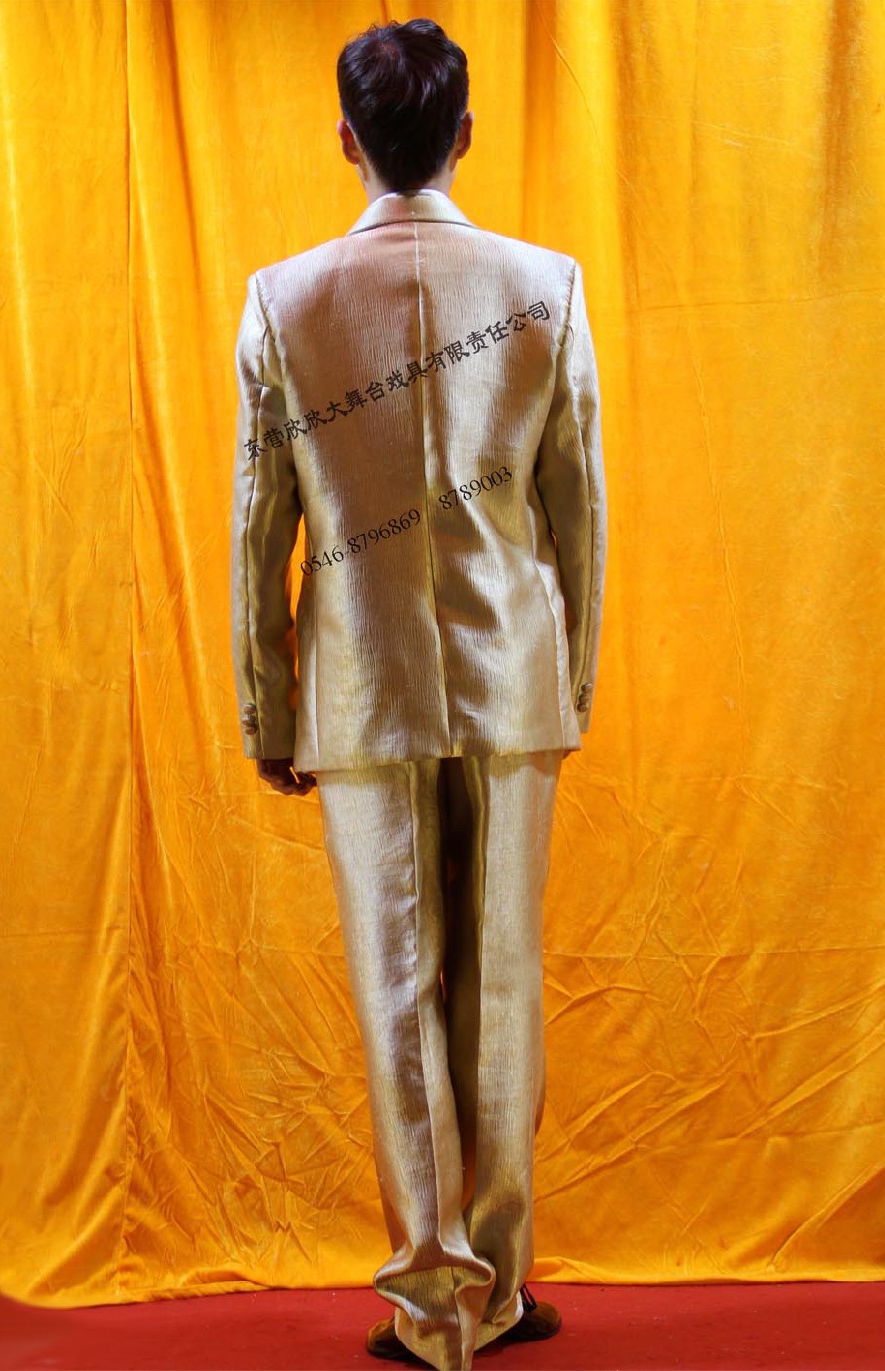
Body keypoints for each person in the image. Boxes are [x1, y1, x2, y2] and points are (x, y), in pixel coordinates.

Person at [229, 19, 605, 1371]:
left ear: (347, 138)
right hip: (514, 681)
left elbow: (259, 526)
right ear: (465, 134)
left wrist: (270, 704)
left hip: (362, 684)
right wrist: (571, 678)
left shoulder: (285, 300)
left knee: (399, 987)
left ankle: (432, 1295)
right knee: (501, 985)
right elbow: (577, 509)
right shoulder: (545, 284)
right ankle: (496, 1288)